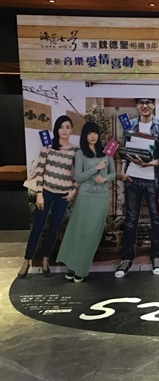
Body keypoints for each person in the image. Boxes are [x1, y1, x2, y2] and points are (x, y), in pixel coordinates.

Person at [17, 115, 78, 279]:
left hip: (63, 195)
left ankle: (45, 260)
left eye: (67, 127)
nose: (64, 130)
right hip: (46, 193)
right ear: (56, 129)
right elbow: (39, 171)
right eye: (61, 127)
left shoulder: (75, 151)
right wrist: (39, 193)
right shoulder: (48, 147)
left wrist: (73, 190)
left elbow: (78, 173)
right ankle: (26, 261)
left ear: (71, 130)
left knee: (54, 228)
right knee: (37, 227)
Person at [115, 98, 159, 278]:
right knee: (131, 219)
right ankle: (126, 258)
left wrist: (147, 164)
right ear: (137, 106)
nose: (145, 106)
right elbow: (125, 152)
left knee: (156, 219)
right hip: (132, 178)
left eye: (148, 102)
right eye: (141, 102)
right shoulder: (130, 125)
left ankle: (156, 256)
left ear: (153, 105)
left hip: (152, 178)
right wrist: (122, 172)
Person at [57, 122, 116, 282]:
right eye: (89, 133)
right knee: (78, 232)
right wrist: (96, 168)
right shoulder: (80, 153)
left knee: (91, 235)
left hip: (101, 198)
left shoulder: (107, 152)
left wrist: (105, 178)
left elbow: (113, 174)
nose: (93, 136)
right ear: (85, 135)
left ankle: (81, 268)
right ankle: (71, 266)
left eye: (95, 133)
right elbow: (79, 177)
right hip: (85, 197)